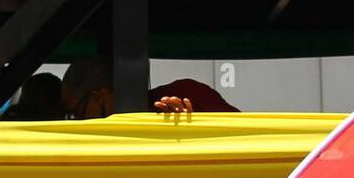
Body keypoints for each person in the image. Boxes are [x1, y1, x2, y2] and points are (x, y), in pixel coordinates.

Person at [61, 54, 239, 119]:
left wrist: (193, 127)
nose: (78, 122)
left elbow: (248, 139)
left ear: (100, 95)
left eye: (78, 112)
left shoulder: (186, 93)